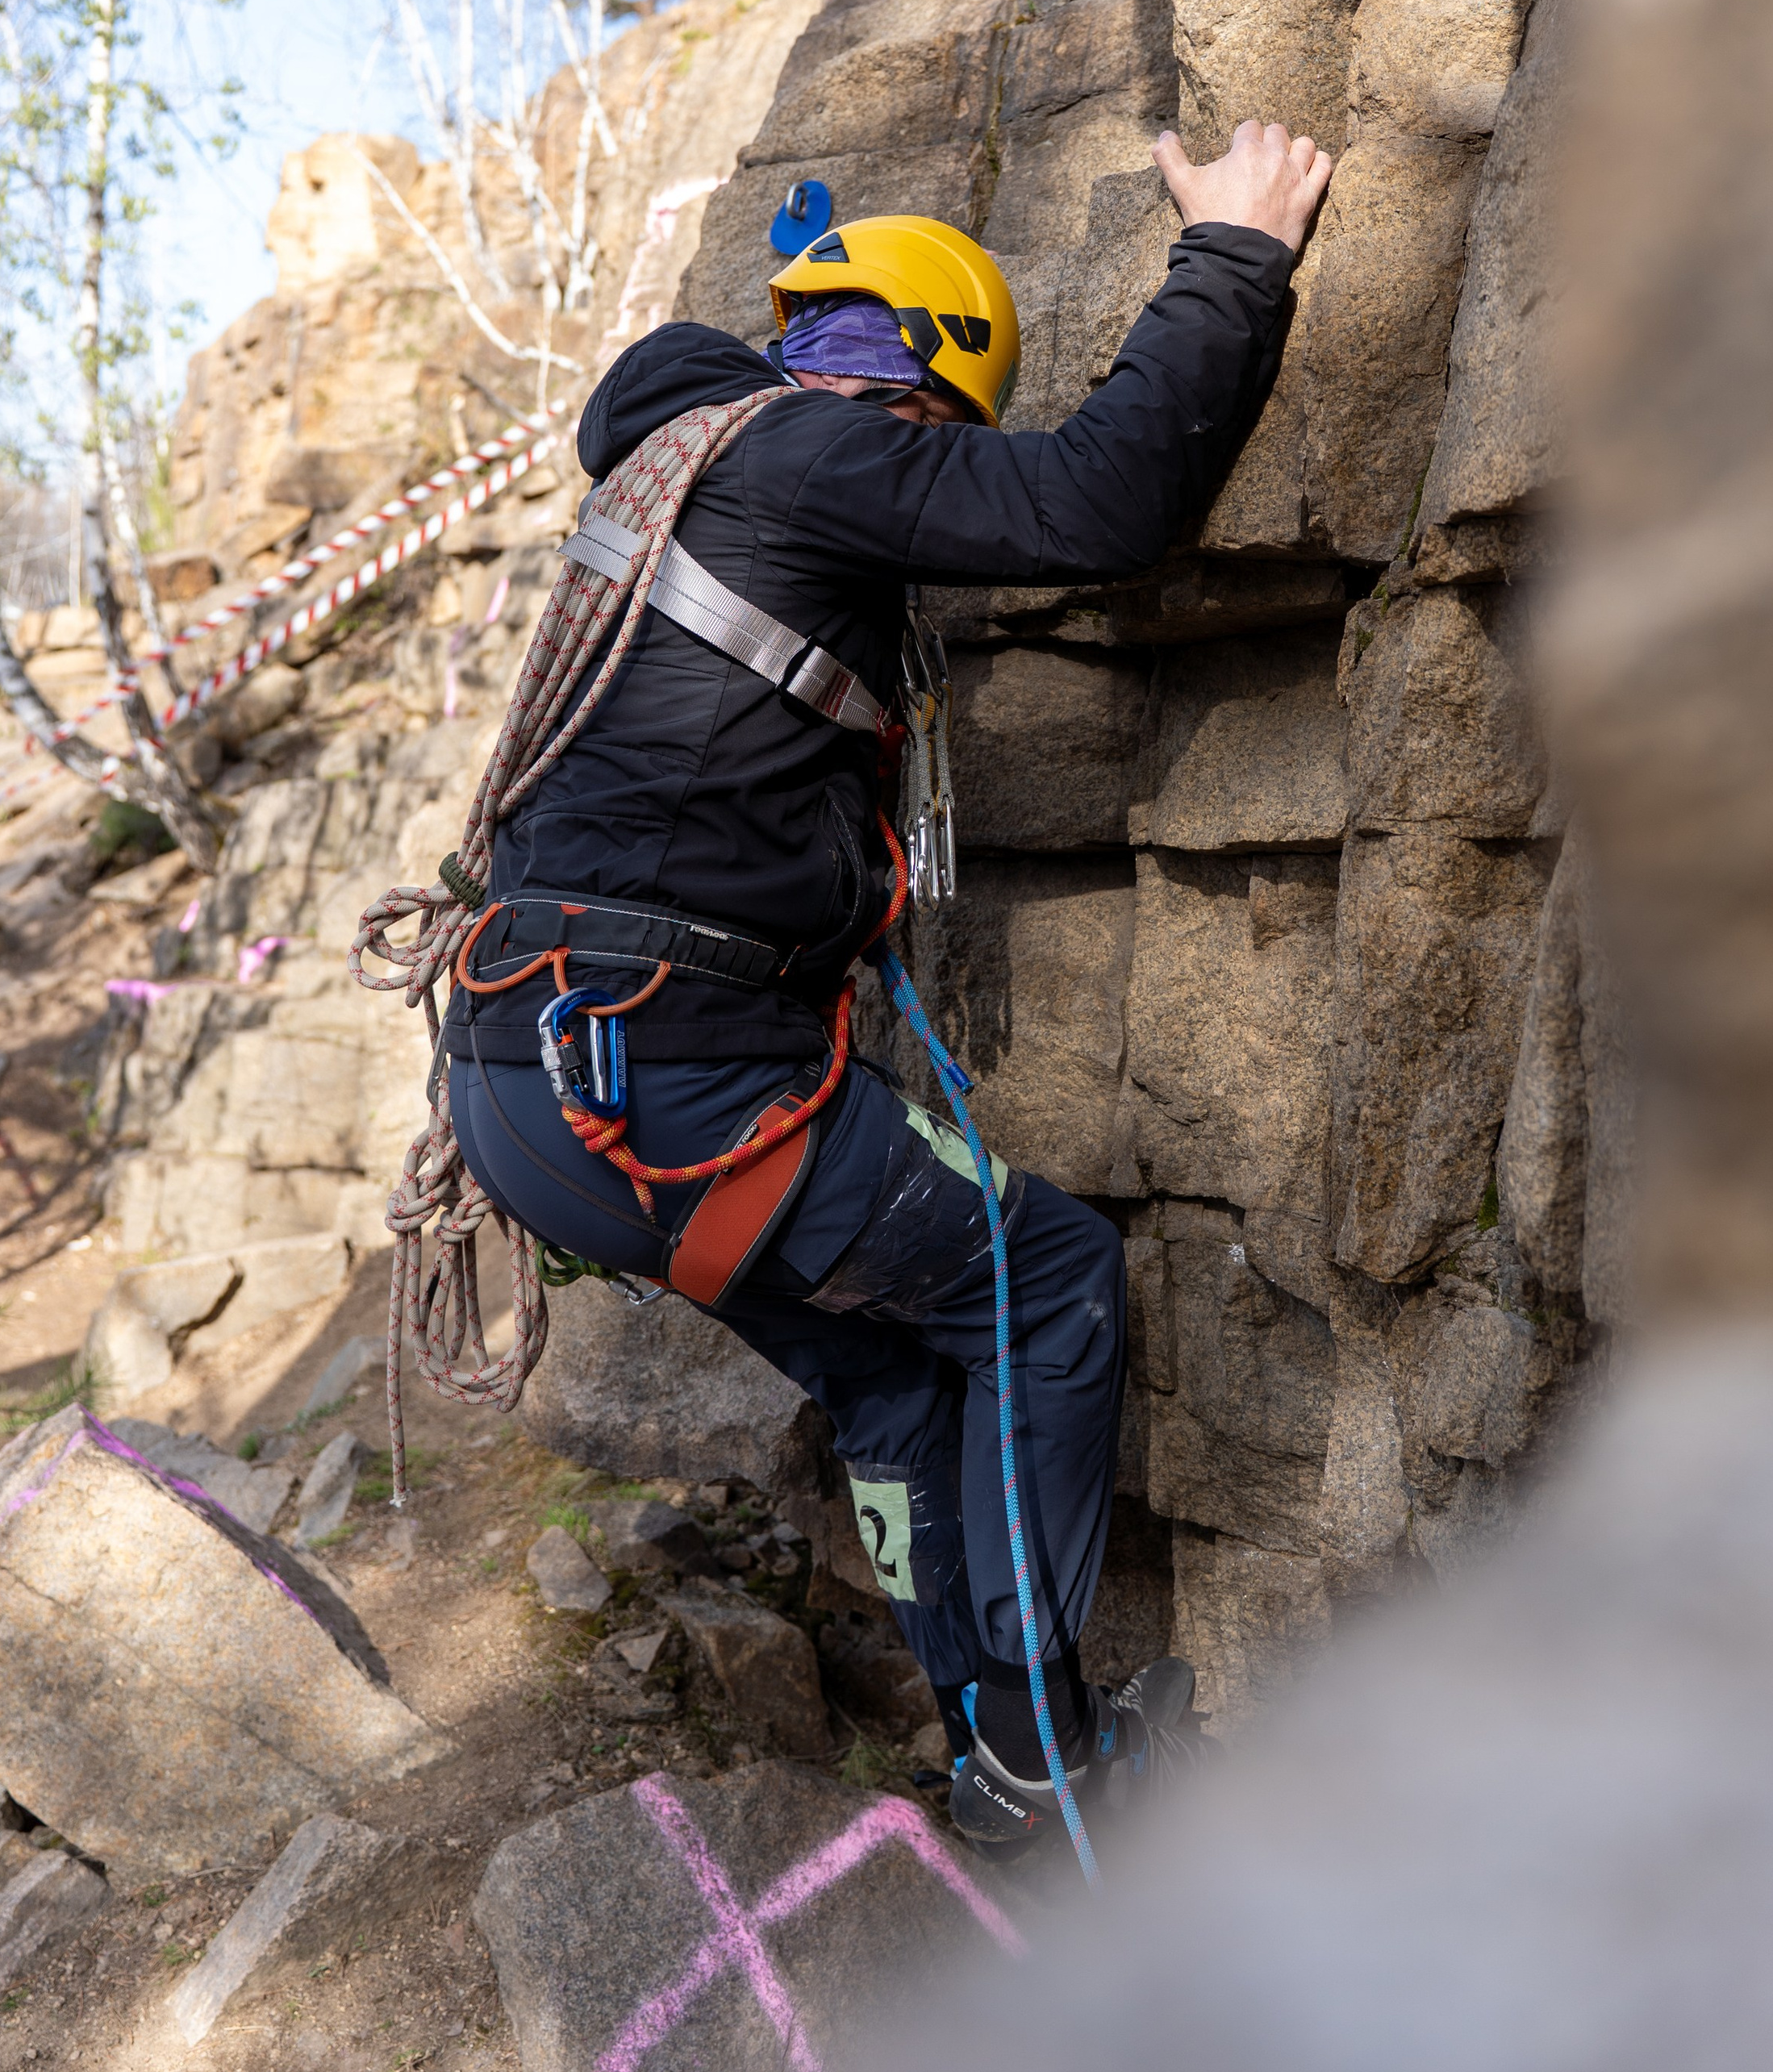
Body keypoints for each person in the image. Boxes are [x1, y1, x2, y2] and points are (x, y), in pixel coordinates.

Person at [442, 116, 1335, 1855]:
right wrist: (1235, 251)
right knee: (1046, 1278)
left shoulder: (680, 467)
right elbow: (1097, 501)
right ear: (914, 383)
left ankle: (1001, 1754)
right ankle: (1033, 1761)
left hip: (536, 1074)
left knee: (896, 1375)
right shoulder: (798, 460)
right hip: (656, 1066)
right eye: (938, 439)